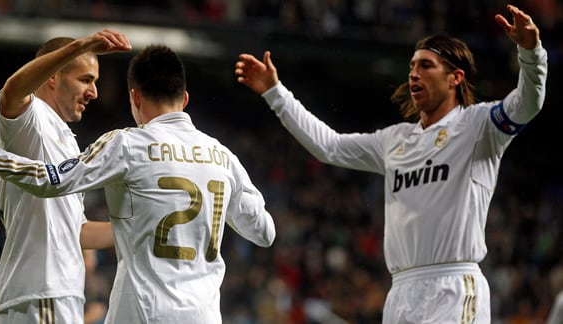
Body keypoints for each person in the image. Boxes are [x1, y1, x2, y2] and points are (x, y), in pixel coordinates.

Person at [0, 44, 276, 323]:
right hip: (202, 314)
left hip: (140, 312)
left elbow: (51, 185)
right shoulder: (223, 157)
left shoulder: (126, 144)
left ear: (135, 97)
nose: (94, 92)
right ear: (185, 99)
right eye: (87, 80)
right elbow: (264, 232)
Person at [234, 4, 546, 323]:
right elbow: (329, 146)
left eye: (426, 65)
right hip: (401, 293)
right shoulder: (395, 140)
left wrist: (531, 52)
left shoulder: (478, 126)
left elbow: (527, 103)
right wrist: (275, 93)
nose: (413, 73)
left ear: (455, 77)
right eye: (412, 66)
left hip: (453, 287)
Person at [0, 29, 131, 323]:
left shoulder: (65, 138)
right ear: (53, 77)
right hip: (44, 290)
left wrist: (141, 225)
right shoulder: (32, 121)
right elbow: (13, 89)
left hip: (52, 293)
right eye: (86, 79)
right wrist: (82, 45)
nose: (94, 93)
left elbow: (77, 232)